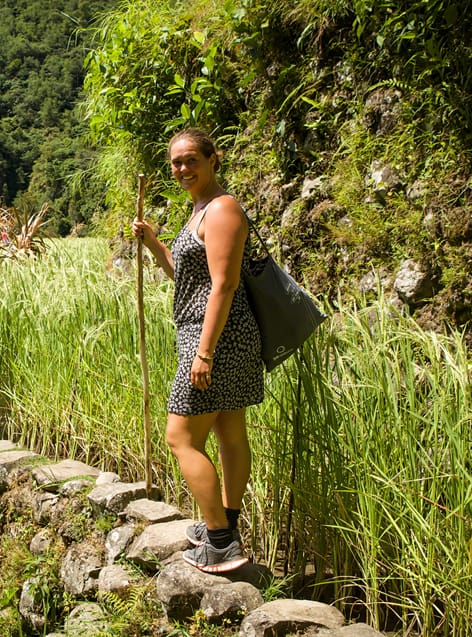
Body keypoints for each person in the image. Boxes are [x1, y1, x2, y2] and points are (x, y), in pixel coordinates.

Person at [132, 129, 264, 573]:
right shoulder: (199, 211)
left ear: (213, 159)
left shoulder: (222, 209)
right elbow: (191, 280)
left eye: (191, 160)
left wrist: (203, 352)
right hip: (214, 333)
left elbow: (224, 285)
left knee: (181, 437)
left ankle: (220, 540)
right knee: (229, 430)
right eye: (175, 162)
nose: (182, 169)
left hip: (216, 337)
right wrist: (154, 243)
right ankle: (225, 523)